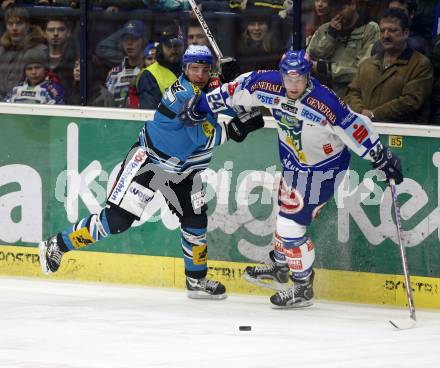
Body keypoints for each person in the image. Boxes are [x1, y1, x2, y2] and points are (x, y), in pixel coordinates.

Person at [180, 49, 403, 308]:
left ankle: (302, 288)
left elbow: (355, 125)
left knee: (290, 226)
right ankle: (280, 265)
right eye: (289, 79)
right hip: (293, 162)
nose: (294, 86)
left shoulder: (324, 102)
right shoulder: (268, 84)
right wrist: (201, 105)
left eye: (300, 80)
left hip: (324, 169)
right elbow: (236, 90)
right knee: (284, 210)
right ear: (282, 74)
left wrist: (380, 156)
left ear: (308, 76)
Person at [38, 45, 264, 299]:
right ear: (184, 70)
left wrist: (234, 84)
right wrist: (236, 124)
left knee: (195, 220)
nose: (199, 74)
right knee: (117, 221)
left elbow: (229, 101)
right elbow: (201, 133)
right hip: (149, 163)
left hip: (184, 170)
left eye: (204, 69)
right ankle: (57, 244)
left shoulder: (207, 86)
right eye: (194, 69)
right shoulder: (183, 97)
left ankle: (196, 280)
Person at [345, 8, 433, 124]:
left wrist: (373, 114)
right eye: (382, 31)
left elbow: (411, 101)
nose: (385, 35)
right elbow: (352, 92)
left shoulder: (420, 64)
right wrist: (361, 112)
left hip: (403, 134)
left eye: (392, 30)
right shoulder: (367, 64)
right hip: (365, 131)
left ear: (405, 33)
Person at [306, 0, 379, 97]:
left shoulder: (370, 29)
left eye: (340, 9)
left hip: (353, 97)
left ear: (352, 5)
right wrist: (330, 37)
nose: (337, 15)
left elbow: (362, 72)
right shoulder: (325, 29)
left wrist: (326, 68)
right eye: (333, 9)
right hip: (323, 97)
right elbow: (309, 60)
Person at [0, 6, 47, 99]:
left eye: (19, 23)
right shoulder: (1, 51)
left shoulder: (40, 50)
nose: (14, 28)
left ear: (28, 25)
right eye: (10, 24)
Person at [136, 24, 185, 109]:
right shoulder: (149, 75)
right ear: (161, 46)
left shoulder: (193, 69)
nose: (173, 49)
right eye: (169, 44)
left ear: (184, 45)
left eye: (177, 44)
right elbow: (149, 114)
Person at [105, 20, 147, 107]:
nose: (129, 43)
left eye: (134, 39)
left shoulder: (149, 71)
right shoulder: (114, 73)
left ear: (143, 41)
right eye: (126, 39)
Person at [44, 17, 77, 95]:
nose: (55, 33)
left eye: (61, 29)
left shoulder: (76, 59)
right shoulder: (37, 57)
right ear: (44, 33)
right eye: (51, 30)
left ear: (68, 32)